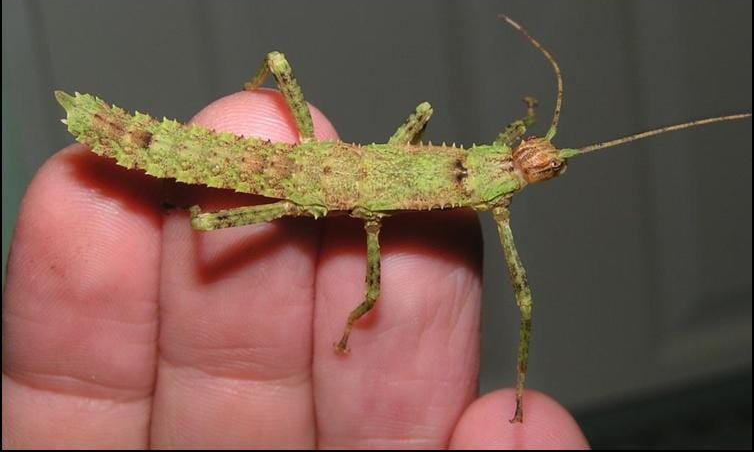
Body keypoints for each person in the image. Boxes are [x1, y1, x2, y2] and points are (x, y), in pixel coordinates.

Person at [2, 89, 589, 449]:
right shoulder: (494, 187)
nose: (532, 159)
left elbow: (453, 138)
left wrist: (520, 128)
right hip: (291, 183)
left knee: (285, 83)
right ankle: (183, 203)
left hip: (304, 169)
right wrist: (354, 317)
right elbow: (523, 302)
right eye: (529, 155)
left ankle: (184, 199)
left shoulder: (488, 174)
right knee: (206, 224)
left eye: (533, 162)